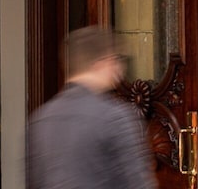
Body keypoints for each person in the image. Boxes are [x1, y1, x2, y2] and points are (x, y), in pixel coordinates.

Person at [26, 25, 155, 189]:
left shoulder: (40, 120)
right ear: (103, 62)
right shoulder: (115, 116)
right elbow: (138, 184)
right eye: (118, 60)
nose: (120, 69)